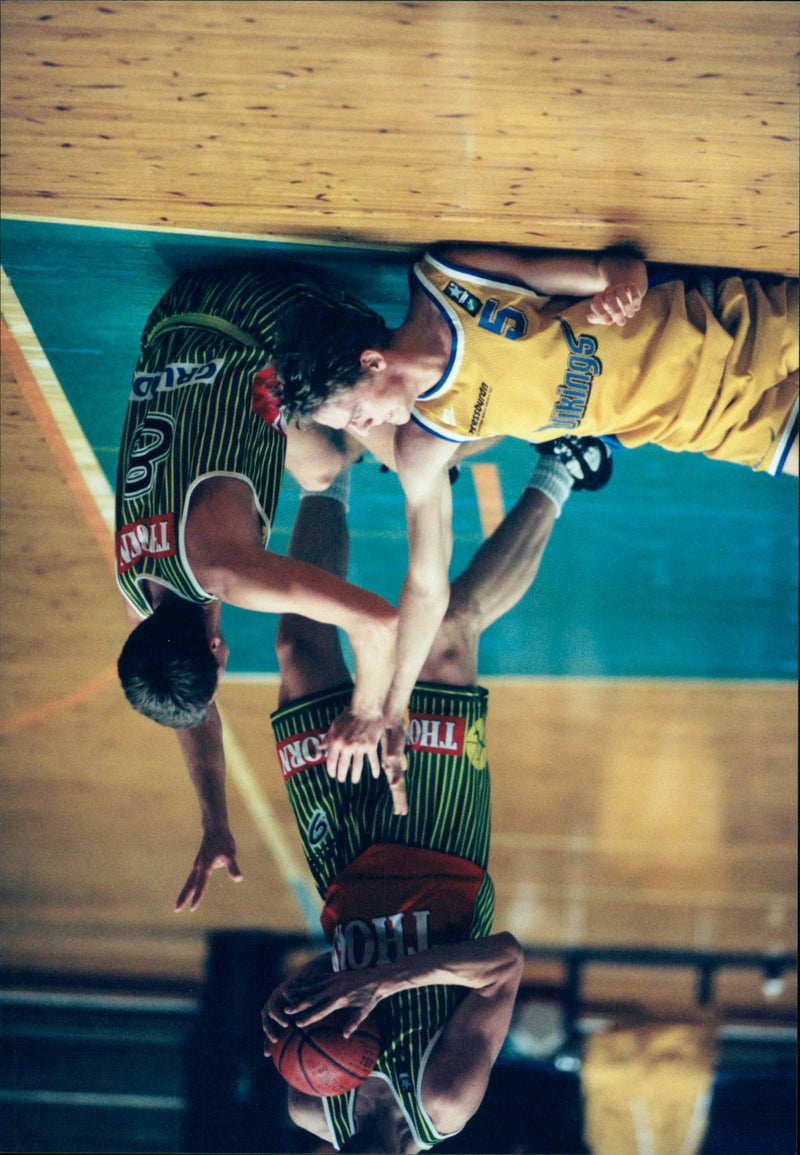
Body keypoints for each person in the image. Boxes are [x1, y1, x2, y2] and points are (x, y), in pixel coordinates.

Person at [272, 244, 799, 783]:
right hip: (712, 422)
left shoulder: (448, 281)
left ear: (373, 362)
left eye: (357, 413)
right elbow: (428, 586)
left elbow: (612, 269)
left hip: (725, 330)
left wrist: (622, 288)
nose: (364, 430)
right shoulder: (421, 446)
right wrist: (389, 707)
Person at [262, 443, 606, 1152]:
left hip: (346, 861)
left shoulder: (309, 1103)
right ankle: (566, 467)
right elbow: (504, 963)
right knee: (448, 637)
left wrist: (294, 993)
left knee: (300, 644)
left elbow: (323, 983)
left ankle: (332, 466)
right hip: (438, 851)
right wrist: (384, 981)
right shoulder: (442, 1098)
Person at [114, 262, 400, 912]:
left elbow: (380, 622)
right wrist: (214, 817)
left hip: (264, 307)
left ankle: (563, 411)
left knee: (417, 451)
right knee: (323, 467)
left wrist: (367, 711)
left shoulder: (225, 571)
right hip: (174, 318)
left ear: (218, 649)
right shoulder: (136, 587)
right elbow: (189, 701)